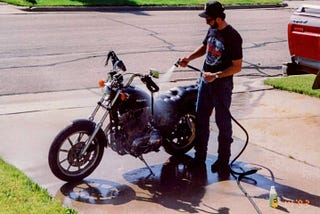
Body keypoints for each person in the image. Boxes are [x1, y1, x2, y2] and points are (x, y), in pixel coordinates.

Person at [179, 1, 243, 173]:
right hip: (205, 83)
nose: (206, 21)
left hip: (222, 86)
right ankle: (199, 158)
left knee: (222, 123)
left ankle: (223, 161)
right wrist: (189, 58)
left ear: (218, 18)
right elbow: (205, 46)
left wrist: (216, 75)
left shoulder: (233, 37)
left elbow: (237, 66)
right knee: (200, 120)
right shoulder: (212, 30)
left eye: (208, 18)